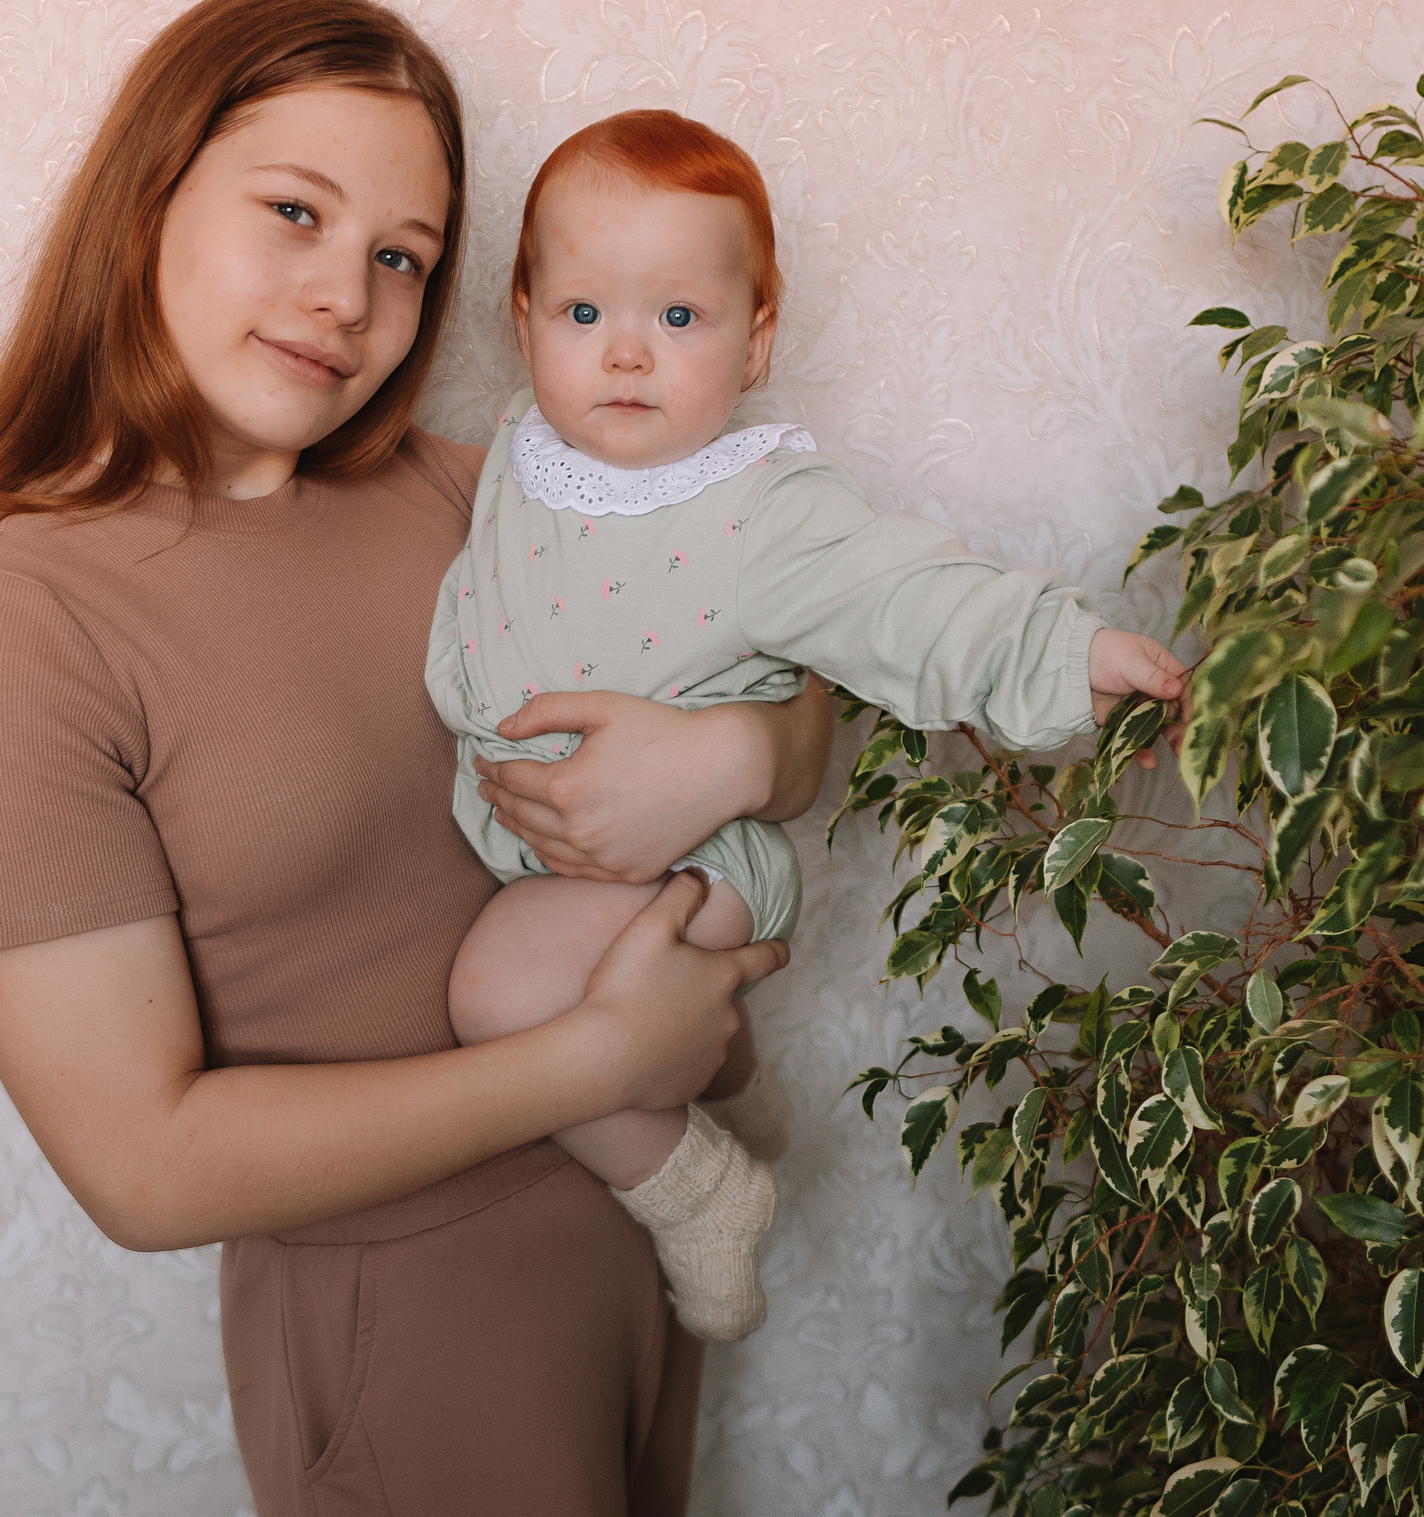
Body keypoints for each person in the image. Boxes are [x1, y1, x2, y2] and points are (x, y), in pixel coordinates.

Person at [0, 0, 837, 1517]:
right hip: (412, 1328)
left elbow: (795, 688)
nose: (346, 295)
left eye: (401, 256)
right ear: (148, 200)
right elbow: (143, 1163)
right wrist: (600, 1056)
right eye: (295, 213)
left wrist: (733, 760)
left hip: (644, 1240)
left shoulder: (472, 497)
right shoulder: (16, 631)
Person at [429, 111, 1189, 1342]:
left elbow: (908, 596)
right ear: (521, 320)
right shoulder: (519, 451)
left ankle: (697, 1187)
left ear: (756, 334)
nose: (625, 354)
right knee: (532, 961)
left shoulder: (761, 509)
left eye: (678, 318)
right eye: (583, 315)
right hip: (556, 854)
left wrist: (1071, 654)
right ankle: (727, 1070)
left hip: (693, 860)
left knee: (497, 988)